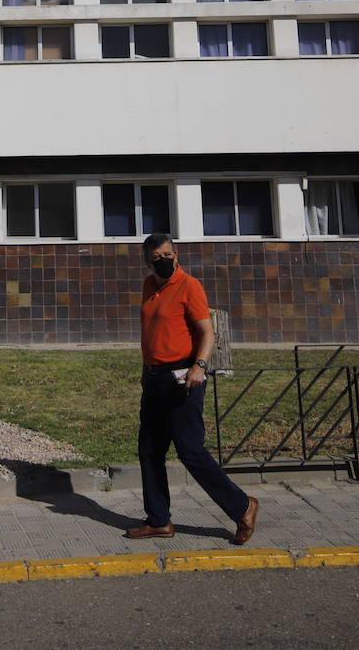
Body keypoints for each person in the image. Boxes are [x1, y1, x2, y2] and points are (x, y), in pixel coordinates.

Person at [126, 232, 259, 545]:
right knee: (150, 450)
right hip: (155, 379)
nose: (164, 261)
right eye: (157, 258)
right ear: (148, 262)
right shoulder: (149, 286)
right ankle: (159, 520)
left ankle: (243, 506)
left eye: (168, 255)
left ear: (176, 255)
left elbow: (206, 332)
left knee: (190, 451)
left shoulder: (189, 286)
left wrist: (199, 366)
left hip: (184, 378)